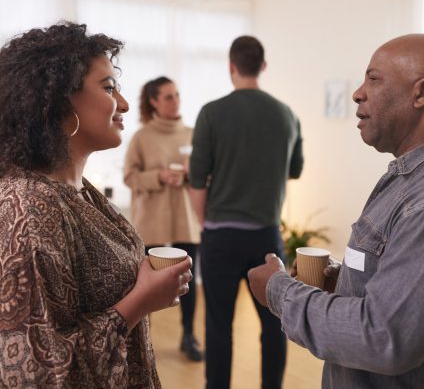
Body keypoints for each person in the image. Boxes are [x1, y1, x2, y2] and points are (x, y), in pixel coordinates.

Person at [248, 33, 424, 388]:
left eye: (374, 79)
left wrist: (278, 291)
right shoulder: (415, 177)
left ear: (422, 93)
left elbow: (384, 337)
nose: (357, 92)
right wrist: (342, 280)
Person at [0, 22, 192, 388]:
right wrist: (139, 301)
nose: (122, 103)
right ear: (59, 101)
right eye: (108, 88)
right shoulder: (28, 208)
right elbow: (39, 374)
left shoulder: (78, 190)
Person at [189, 35, 304, 389]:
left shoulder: (211, 112)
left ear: (231, 67)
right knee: (274, 324)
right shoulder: (287, 115)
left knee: (219, 325)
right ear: (263, 66)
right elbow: (294, 169)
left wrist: (206, 224)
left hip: (220, 236)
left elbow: (196, 181)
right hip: (266, 235)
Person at [124, 76, 203, 361]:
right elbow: (130, 177)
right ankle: (145, 344)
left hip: (185, 220)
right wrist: (159, 176)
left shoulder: (193, 133)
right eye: (168, 96)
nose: (176, 101)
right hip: (152, 223)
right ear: (153, 101)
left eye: (177, 95)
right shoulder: (141, 137)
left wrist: (189, 174)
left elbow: (206, 176)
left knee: (189, 282)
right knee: (146, 285)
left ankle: (189, 337)